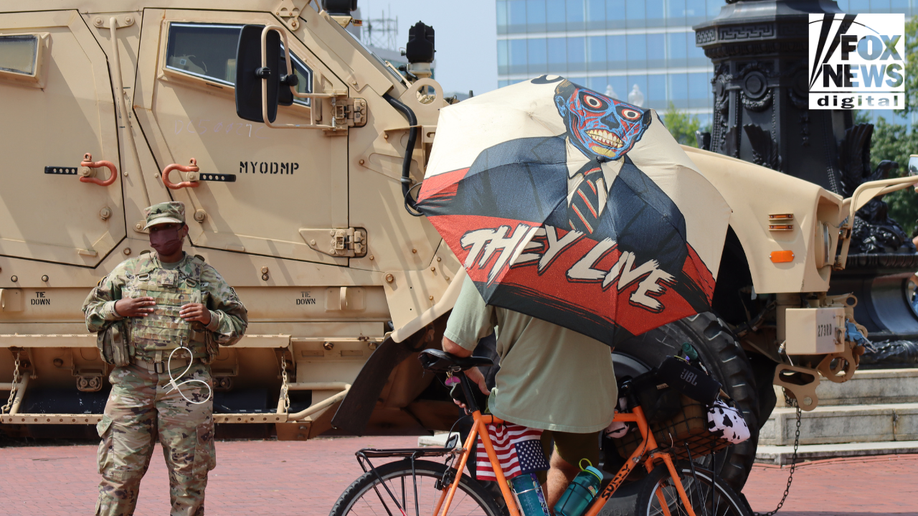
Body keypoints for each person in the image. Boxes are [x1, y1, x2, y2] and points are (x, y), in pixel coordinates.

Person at [83, 201, 248, 516]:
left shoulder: (203, 275)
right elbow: (90, 313)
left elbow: (237, 324)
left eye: (168, 228)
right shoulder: (128, 272)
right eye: (155, 229)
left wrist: (210, 318)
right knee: (119, 476)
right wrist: (117, 308)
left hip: (185, 384)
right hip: (133, 382)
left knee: (189, 479)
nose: (160, 235)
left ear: (183, 230)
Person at [441, 274, 617, 509]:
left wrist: (473, 373)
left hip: (523, 400)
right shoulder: (604, 260)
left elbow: (454, 344)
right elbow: (613, 338)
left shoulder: (491, 260)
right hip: (588, 397)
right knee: (572, 467)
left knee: (529, 486)